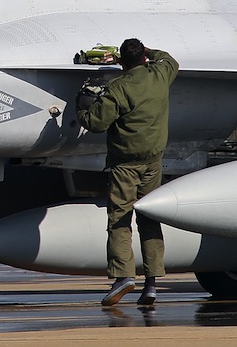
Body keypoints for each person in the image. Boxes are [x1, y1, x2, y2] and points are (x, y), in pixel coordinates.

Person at [77, 38, 179, 307]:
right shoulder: (159, 74)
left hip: (125, 165)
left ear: (122, 61)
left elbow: (94, 123)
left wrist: (82, 102)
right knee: (150, 219)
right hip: (154, 163)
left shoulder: (119, 88)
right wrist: (150, 52)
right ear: (144, 57)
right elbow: (169, 58)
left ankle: (123, 276)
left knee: (120, 220)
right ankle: (153, 283)